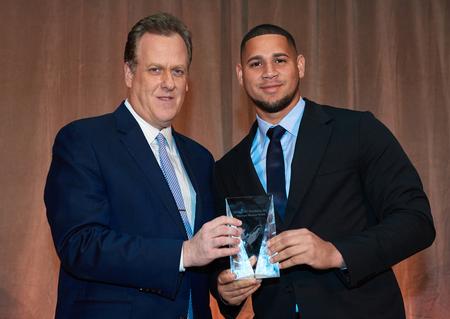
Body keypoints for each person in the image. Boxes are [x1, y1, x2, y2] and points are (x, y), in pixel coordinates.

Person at [212, 24, 436, 319]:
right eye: (256, 63)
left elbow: (416, 221)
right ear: (241, 75)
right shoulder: (228, 168)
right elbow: (224, 257)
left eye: (280, 60)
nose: (269, 72)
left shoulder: (357, 131)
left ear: (300, 65)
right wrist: (224, 291)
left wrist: (336, 253)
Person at [44, 13, 241, 319]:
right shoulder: (84, 140)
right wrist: (184, 253)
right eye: (155, 70)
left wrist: (224, 287)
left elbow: (204, 254)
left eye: (178, 71)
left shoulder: (200, 158)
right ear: (128, 73)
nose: (168, 83)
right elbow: (80, 245)